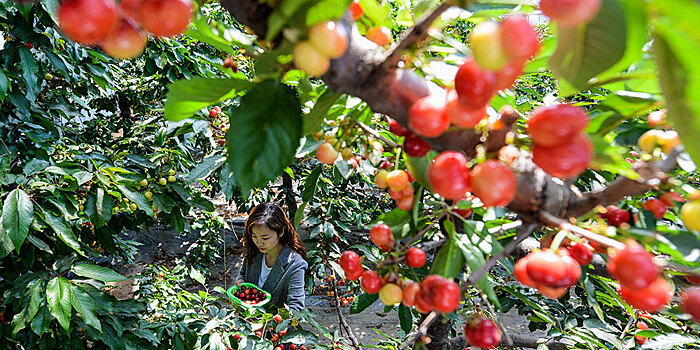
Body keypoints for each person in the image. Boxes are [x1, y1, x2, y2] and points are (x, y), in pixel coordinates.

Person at [235, 202, 308, 312]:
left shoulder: (295, 265)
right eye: (254, 236)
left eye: (265, 238)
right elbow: (243, 272)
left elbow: (296, 308)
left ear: (281, 232)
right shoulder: (255, 251)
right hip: (247, 323)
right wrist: (240, 281)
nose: (259, 243)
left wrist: (270, 324)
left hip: (276, 327)